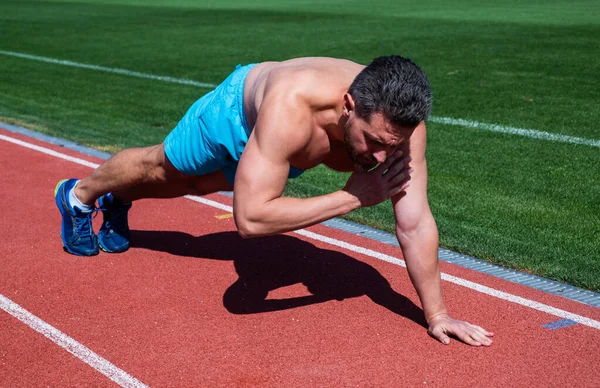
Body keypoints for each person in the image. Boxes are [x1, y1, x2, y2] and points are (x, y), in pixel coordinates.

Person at [55, 56, 494, 346]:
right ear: (348, 105)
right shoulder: (292, 107)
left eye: (391, 145)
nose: (381, 158)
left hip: (287, 147)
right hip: (234, 115)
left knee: (198, 187)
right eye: (374, 142)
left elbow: (414, 223)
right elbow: (249, 220)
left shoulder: (402, 130)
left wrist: (437, 314)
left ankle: (116, 202)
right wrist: (351, 198)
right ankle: (79, 196)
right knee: (167, 169)